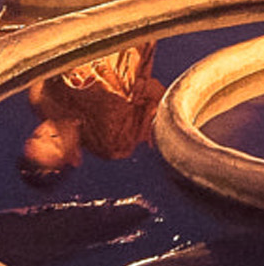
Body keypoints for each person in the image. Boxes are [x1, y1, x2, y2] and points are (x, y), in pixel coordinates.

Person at [18, 40, 163, 185]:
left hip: (85, 35)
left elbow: (45, 52)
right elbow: (160, 102)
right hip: (129, 37)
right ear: (75, 157)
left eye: (37, 135)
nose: (48, 130)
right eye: (55, 141)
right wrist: (139, 89)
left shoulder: (42, 98)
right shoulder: (114, 143)